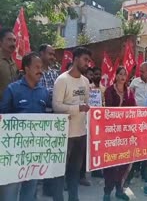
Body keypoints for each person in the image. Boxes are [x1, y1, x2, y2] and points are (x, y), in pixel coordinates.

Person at [0, 52, 50, 201]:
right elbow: (3, 117)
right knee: (9, 192)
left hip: (34, 151)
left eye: (41, 67)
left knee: (30, 191)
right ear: (26, 69)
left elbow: (48, 116)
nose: (40, 70)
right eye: (36, 67)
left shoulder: (44, 92)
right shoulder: (12, 89)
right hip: (13, 153)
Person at [52, 47, 91, 201]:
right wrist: (77, 108)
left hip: (81, 133)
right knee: (60, 172)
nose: (87, 64)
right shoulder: (62, 80)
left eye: (88, 60)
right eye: (85, 60)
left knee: (75, 171)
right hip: (65, 135)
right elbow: (56, 106)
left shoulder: (86, 81)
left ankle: (73, 198)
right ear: (75, 59)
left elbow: (86, 104)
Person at [102, 66, 136, 201]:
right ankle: (107, 191)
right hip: (112, 132)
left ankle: (119, 189)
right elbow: (109, 109)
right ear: (115, 76)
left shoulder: (129, 92)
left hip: (126, 133)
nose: (122, 76)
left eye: (124, 74)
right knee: (111, 163)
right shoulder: (109, 91)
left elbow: (134, 108)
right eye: (120, 74)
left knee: (124, 162)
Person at [126, 62, 147, 186]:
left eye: (143, 71)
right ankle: (131, 174)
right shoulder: (135, 82)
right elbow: (129, 96)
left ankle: (146, 174)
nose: (140, 73)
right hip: (136, 118)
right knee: (135, 146)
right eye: (140, 71)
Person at [38, 44, 61, 197]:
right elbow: (41, 94)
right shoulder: (36, 72)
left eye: (54, 54)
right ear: (41, 54)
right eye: (50, 54)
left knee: (51, 153)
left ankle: (49, 186)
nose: (53, 57)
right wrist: (54, 95)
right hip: (40, 116)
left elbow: (59, 94)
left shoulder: (55, 74)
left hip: (55, 117)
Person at [0, 28, 18, 100]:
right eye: (9, 40)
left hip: (11, 105)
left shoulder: (13, 63)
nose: (13, 43)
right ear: (0, 42)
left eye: (14, 40)